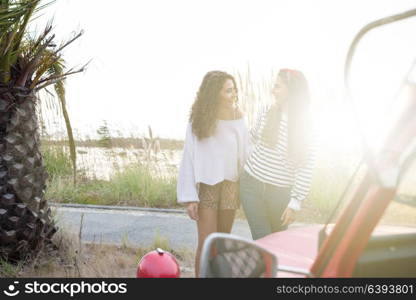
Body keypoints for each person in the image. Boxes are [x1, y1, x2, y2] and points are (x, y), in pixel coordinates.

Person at [177, 71, 250, 277]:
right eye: (228, 90)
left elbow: (246, 155)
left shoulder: (238, 119)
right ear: (214, 93)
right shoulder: (197, 121)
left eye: (234, 89)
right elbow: (188, 159)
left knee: (222, 244)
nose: (233, 94)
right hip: (207, 187)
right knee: (206, 243)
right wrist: (189, 197)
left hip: (230, 187)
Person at [240, 68, 315, 240]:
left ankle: (271, 268)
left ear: (292, 90)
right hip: (251, 185)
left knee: (278, 243)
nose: (273, 91)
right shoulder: (266, 110)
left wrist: (295, 202)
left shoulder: (307, 126)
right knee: (263, 240)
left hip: (280, 194)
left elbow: (306, 166)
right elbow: (251, 140)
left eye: (278, 87)